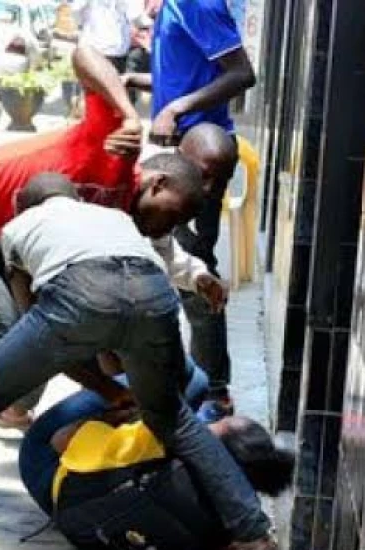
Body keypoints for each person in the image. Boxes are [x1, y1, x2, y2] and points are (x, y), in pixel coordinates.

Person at [0, 164, 277, 550]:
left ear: (23, 205)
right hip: (153, 292)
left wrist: (96, 384)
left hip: (80, 291)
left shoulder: (17, 228)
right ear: (76, 198)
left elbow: (30, 325)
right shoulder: (115, 217)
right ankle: (256, 537)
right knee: (175, 420)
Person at [0, 46, 223, 511]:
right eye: (171, 215)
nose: (163, 229)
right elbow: (85, 54)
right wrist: (129, 115)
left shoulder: (115, 227)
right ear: (157, 184)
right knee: (1, 334)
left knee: (28, 334)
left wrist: (111, 389)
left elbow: (55, 331)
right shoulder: (116, 151)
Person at [124, 0, 256, 418]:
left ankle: (214, 393)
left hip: (200, 156)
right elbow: (188, 75)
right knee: (169, 258)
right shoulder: (170, 8)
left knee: (194, 269)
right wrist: (136, 81)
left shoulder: (195, 2)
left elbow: (242, 73)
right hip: (175, 152)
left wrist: (177, 108)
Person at [20, 388, 293, 550]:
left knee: (191, 379)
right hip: (96, 527)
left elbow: (60, 440)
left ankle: (16, 411)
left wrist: (113, 418)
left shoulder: (159, 441)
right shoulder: (226, 521)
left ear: (213, 454)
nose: (204, 425)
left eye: (213, 424)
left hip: (51, 482)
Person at [70, 0, 136, 72]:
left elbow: (75, 12)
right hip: (116, 48)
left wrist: (83, 25)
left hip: (94, 47)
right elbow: (135, 16)